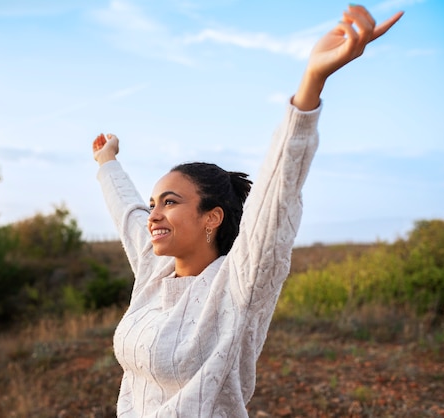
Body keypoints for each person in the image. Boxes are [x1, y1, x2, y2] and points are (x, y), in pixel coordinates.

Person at [92, 4, 403, 417]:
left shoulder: (238, 285)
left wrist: (312, 82)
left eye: (170, 202)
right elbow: (128, 213)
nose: (153, 216)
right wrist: (106, 163)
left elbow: (276, 200)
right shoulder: (154, 270)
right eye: (154, 204)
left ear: (212, 217)